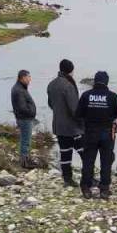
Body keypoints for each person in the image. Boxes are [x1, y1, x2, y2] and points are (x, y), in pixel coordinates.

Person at [76, 71, 117, 200]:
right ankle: (104, 189)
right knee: (106, 162)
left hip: (90, 132)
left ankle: (86, 188)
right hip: (107, 133)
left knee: (88, 161)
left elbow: (78, 114)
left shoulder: (86, 95)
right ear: (107, 82)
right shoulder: (112, 96)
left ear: (94, 81)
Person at [46, 59, 82, 187]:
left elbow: (50, 104)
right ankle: (89, 177)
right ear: (71, 70)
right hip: (72, 127)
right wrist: (82, 124)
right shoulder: (68, 85)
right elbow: (74, 109)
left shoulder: (51, 84)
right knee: (85, 151)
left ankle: (67, 179)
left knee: (65, 153)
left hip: (58, 125)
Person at [10, 69, 37, 168]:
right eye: (28, 77)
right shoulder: (19, 90)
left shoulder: (20, 88)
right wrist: (31, 112)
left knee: (26, 140)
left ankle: (26, 160)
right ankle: (24, 162)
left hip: (24, 118)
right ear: (23, 78)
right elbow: (22, 107)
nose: (30, 79)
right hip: (24, 119)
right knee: (26, 140)